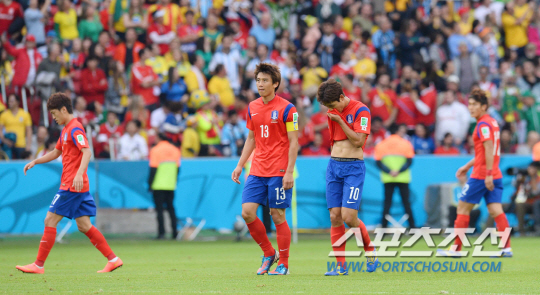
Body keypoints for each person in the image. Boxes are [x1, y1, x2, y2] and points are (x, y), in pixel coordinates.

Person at [16, 92, 122, 274]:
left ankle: (38, 265)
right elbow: (56, 152)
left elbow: (87, 152)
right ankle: (113, 259)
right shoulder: (66, 129)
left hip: (72, 185)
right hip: (76, 186)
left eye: (55, 114)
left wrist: (79, 174)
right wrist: (35, 161)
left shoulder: (75, 129)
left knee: (49, 219)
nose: (54, 118)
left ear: (64, 109)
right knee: (84, 225)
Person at [231, 63, 299, 275]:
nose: (260, 84)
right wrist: (240, 165)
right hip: (257, 169)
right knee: (247, 212)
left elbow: (294, 142)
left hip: (279, 170)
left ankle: (284, 264)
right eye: (258, 80)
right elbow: (251, 138)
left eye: (265, 80)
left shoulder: (288, 109)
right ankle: (269, 253)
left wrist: (289, 171)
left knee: (277, 215)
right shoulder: (252, 107)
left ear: (275, 84)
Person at [438, 89, 512, 258]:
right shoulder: (492, 122)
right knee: (495, 210)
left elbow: (488, 149)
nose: (471, 108)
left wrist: (487, 174)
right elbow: (483, 153)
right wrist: (467, 166)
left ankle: (456, 250)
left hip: (481, 175)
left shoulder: (483, 125)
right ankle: (506, 248)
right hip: (495, 173)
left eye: (474, 105)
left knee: (462, 208)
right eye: (469, 104)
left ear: (484, 106)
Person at [316, 78, 377, 276]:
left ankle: (370, 250)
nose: (330, 109)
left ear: (342, 97)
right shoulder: (332, 111)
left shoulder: (361, 110)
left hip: (353, 168)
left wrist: (341, 120)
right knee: (334, 216)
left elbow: (359, 141)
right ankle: (341, 266)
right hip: (334, 166)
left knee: (349, 217)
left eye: (332, 105)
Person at [374, 124, 416, 229]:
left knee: (387, 203)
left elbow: (378, 162)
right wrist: (398, 171)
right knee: (406, 203)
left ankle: (384, 227)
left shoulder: (381, 144)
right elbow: (409, 161)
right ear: (398, 131)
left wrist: (390, 172)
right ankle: (412, 227)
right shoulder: (406, 144)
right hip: (403, 177)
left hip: (388, 178)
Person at [148, 133, 181, 239]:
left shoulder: (155, 150)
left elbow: (153, 169)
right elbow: (177, 169)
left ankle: (161, 233)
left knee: (160, 210)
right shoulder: (175, 149)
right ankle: (175, 233)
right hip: (170, 184)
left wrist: (150, 184)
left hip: (158, 184)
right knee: (171, 208)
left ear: (158, 138)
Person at [0, 94, 32, 159]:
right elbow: (0, 130)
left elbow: (29, 131)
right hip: (8, 144)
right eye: (9, 101)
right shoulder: (4, 115)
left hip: (21, 144)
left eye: (12, 101)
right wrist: (5, 140)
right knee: (8, 164)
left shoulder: (25, 114)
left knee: (20, 165)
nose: (10, 103)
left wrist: (28, 145)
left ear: (17, 102)